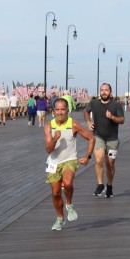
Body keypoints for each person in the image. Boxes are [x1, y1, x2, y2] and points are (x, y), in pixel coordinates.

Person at [45, 96, 94, 231]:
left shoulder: (73, 124)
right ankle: (60, 218)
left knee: (67, 183)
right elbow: (48, 150)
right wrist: (55, 139)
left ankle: (69, 204)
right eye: (57, 110)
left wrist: (88, 157)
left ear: (67, 110)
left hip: (70, 160)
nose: (60, 112)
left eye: (63, 109)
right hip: (54, 162)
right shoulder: (49, 126)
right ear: (53, 111)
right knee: (55, 193)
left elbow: (91, 138)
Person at [84, 82, 126, 198]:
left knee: (110, 164)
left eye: (106, 90)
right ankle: (100, 184)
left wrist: (112, 117)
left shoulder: (116, 105)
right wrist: (88, 122)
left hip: (112, 138)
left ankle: (110, 186)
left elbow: (122, 120)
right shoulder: (94, 103)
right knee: (99, 160)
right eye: (102, 90)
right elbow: (86, 111)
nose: (104, 92)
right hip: (98, 136)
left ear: (110, 92)